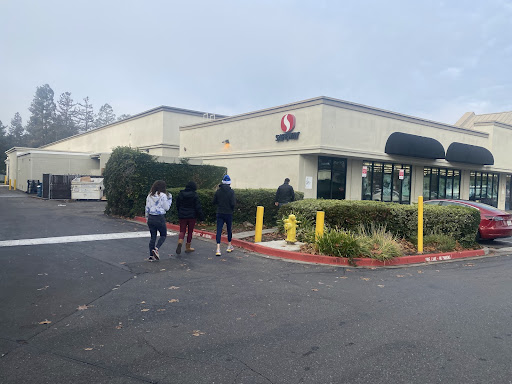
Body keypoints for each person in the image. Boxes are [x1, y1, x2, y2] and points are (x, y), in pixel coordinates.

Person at [145, 180, 172, 261]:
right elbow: (166, 208)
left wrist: (147, 218)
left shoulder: (150, 195)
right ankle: (156, 249)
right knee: (163, 235)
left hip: (151, 217)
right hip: (159, 217)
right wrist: (170, 199)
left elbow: (147, 208)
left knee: (153, 237)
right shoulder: (163, 196)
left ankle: (151, 256)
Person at [175, 181, 204, 254]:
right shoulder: (195, 195)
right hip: (192, 215)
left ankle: (180, 242)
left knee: (182, 230)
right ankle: (188, 247)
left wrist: (180, 211)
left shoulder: (181, 194)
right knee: (190, 231)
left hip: (182, 215)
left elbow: (177, 204)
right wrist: (201, 217)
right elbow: (198, 207)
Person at [213, 174, 236, 256]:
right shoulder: (231, 192)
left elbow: (214, 202)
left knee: (219, 229)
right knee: (229, 229)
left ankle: (218, 248)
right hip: (228, 212)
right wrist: (231, 209)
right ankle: (229, 245)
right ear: (229, 183)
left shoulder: (218, 192)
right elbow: (233, 203)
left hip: (220, 212)